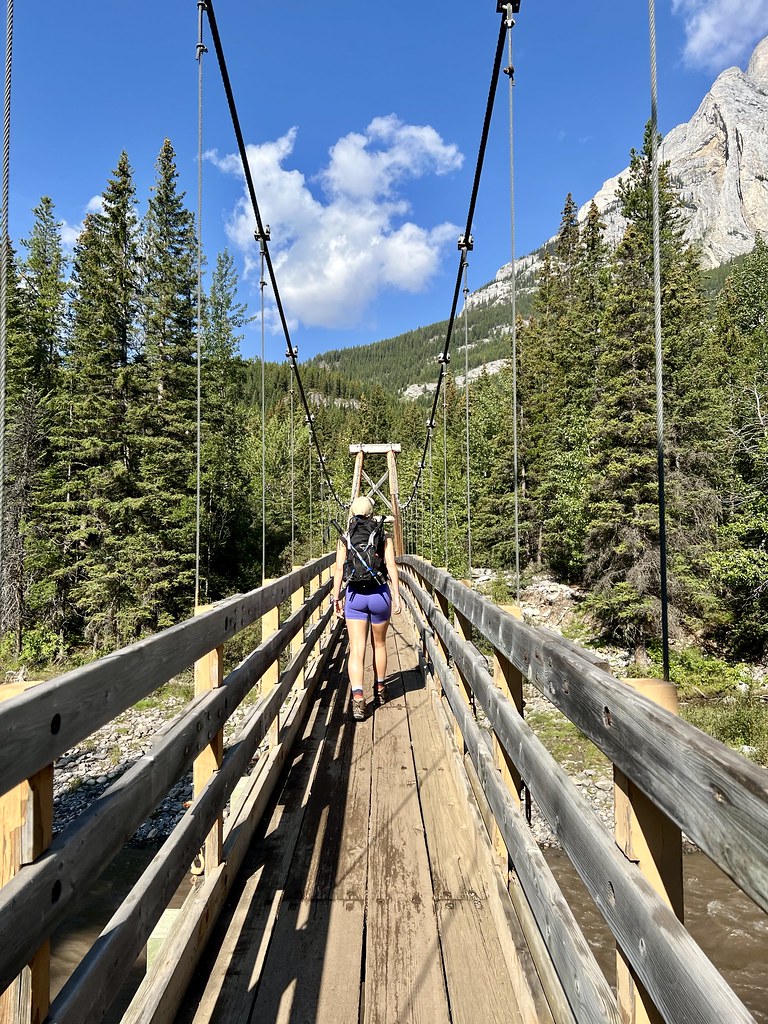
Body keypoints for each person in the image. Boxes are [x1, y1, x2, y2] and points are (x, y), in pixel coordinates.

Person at [331, 495, 401, 721]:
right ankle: (380, 691)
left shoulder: (345, 537)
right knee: (379, 644)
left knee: (357, 648)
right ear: (372, 514)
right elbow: (391, 566)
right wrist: (397, 596)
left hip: (355, 598)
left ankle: (359, 700)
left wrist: (336, 598)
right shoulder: (383, 534)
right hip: (380, 594)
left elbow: (340, 571)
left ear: (351, 513)